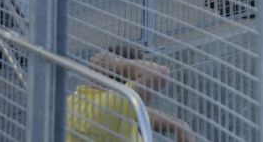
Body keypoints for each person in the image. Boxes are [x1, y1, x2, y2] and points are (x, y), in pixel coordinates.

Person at [66, 46, 195, 142]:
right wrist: (117, 65)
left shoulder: (79, 98)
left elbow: (137, 112)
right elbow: (159, 74)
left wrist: (178, 124)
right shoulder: (111, 106)